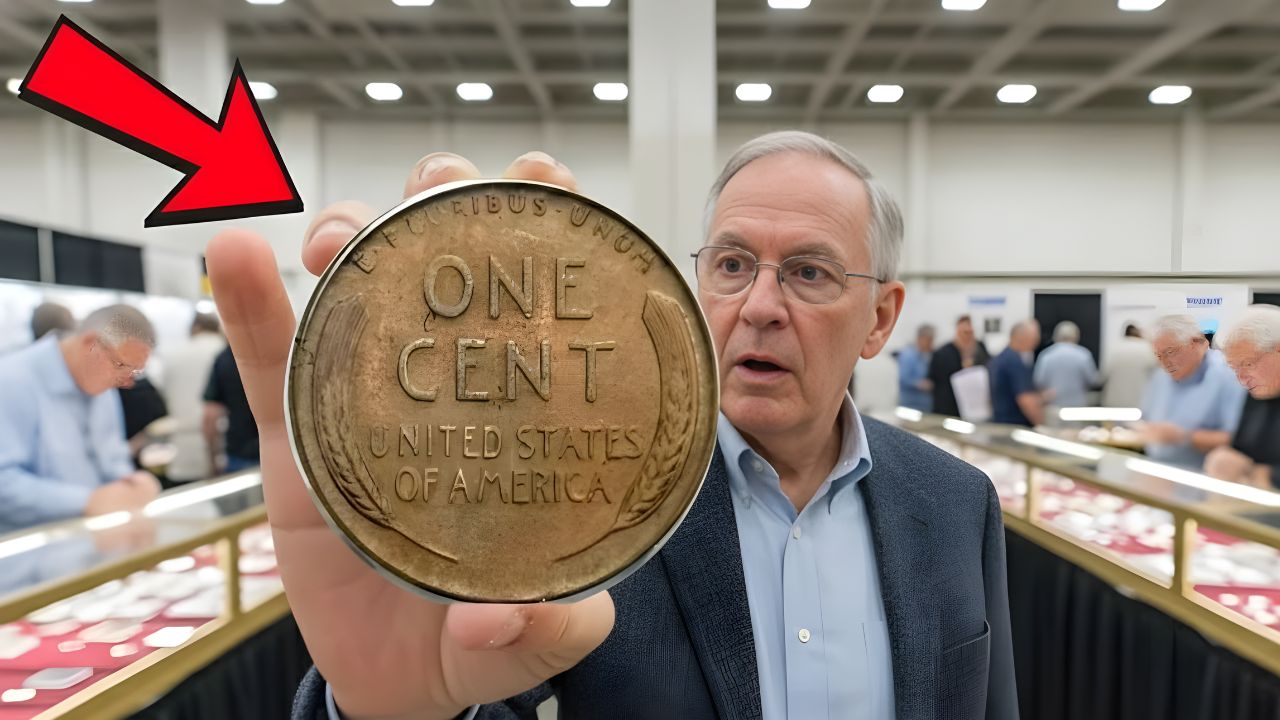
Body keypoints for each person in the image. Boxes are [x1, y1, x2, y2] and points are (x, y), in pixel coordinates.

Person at [208, 136, 1018, 720]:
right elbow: (461, 685)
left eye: (808, 273)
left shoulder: (955, 502)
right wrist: (392, 717)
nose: (760, 307)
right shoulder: (571, 498)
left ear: (880, 319)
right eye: (732, 265)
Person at [0, 304, 161, 530]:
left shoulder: (102, 389)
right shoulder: (11, 381)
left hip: (95, 545)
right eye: (122, 367)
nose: (126, 382)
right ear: (90, 344)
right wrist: (87, 501)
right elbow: (4, 482)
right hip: (29, 554)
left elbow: (111, 457)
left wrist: (129, 482)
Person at [1139, 314, 1245, 469]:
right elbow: (1147, 419)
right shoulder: (1160, 376)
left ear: (1197, 343)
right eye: (1158, 355)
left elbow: (1239, 440)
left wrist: (1184, 437)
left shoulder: (1228, 376)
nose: (1164, 363)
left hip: (1203, 477)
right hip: (1157, 471)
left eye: (1170, 352)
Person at [1204, 305, 1280, 489]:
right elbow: (1241, 447)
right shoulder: (1258, 390)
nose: (1242, 379)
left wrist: (1262, 474)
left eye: (1248, 364)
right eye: (1234, 368)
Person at [160, 312, 225, 485]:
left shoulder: (172, 354)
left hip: (182, 447)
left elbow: (165, 398)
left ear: (195, 328)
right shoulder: (223, 351)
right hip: (222, 444)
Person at [203, 344, 258, 474]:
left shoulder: (224, 359)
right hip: (281, 451)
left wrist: (212, 459)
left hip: (239, 453)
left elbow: (210, 416)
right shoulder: (280, 351)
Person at [928, 315, 991, 417]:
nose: (967, 336)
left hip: (975, 406)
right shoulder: (943, 353)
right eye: (964, 332)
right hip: (949, 407)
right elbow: (935, 378)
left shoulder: (980, 349)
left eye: (970, 332)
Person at [1034, 321, 1099, 412]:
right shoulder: (1084, 355)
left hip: (1053, 407)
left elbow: (1038, 381)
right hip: (1078, 407)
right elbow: (1093, 380)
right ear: (1076, 336)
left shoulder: (1046, 355)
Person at [990, 320, 1044, 427]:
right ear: (1023, 337)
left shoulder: (1001, 358)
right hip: (1014, 427)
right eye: (1034, 338)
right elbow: (1025, 400)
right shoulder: (1014, 362)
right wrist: (1044, 427)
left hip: (1001, 424)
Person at [1101, 323, 1157, 408]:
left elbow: (1104, 376)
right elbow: (1156, 376)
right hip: (1138, 402)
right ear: (1139, 334)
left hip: (1114, 403)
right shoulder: (1148, 348)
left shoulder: (1114, 349)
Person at [896, 323, 934, 412]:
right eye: (929, 340)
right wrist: (919, 384)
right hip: (910, 405)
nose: (931, 343)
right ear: (921, 338)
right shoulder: (908, 355)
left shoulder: (927, 355)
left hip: (925, 406)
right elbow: (903, 378)